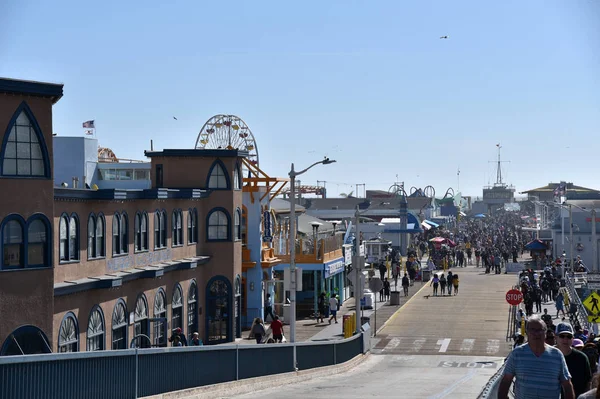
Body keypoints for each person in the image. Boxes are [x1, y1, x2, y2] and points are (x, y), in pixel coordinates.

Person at [498, 315, 575, 399]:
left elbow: (567, 384)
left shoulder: (557, 355)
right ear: (527, 332)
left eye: (539, 330)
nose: (536, 333)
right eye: (532, 330)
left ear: (545, 333)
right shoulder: (517, 354)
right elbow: (506, 381)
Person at [555, 322, 592, 398]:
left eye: (569, 336)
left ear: (573, 338)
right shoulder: (548, 355)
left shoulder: (582, 358)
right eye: (562, 336)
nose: (565, 339)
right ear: (556, 337)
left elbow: (588, 382)